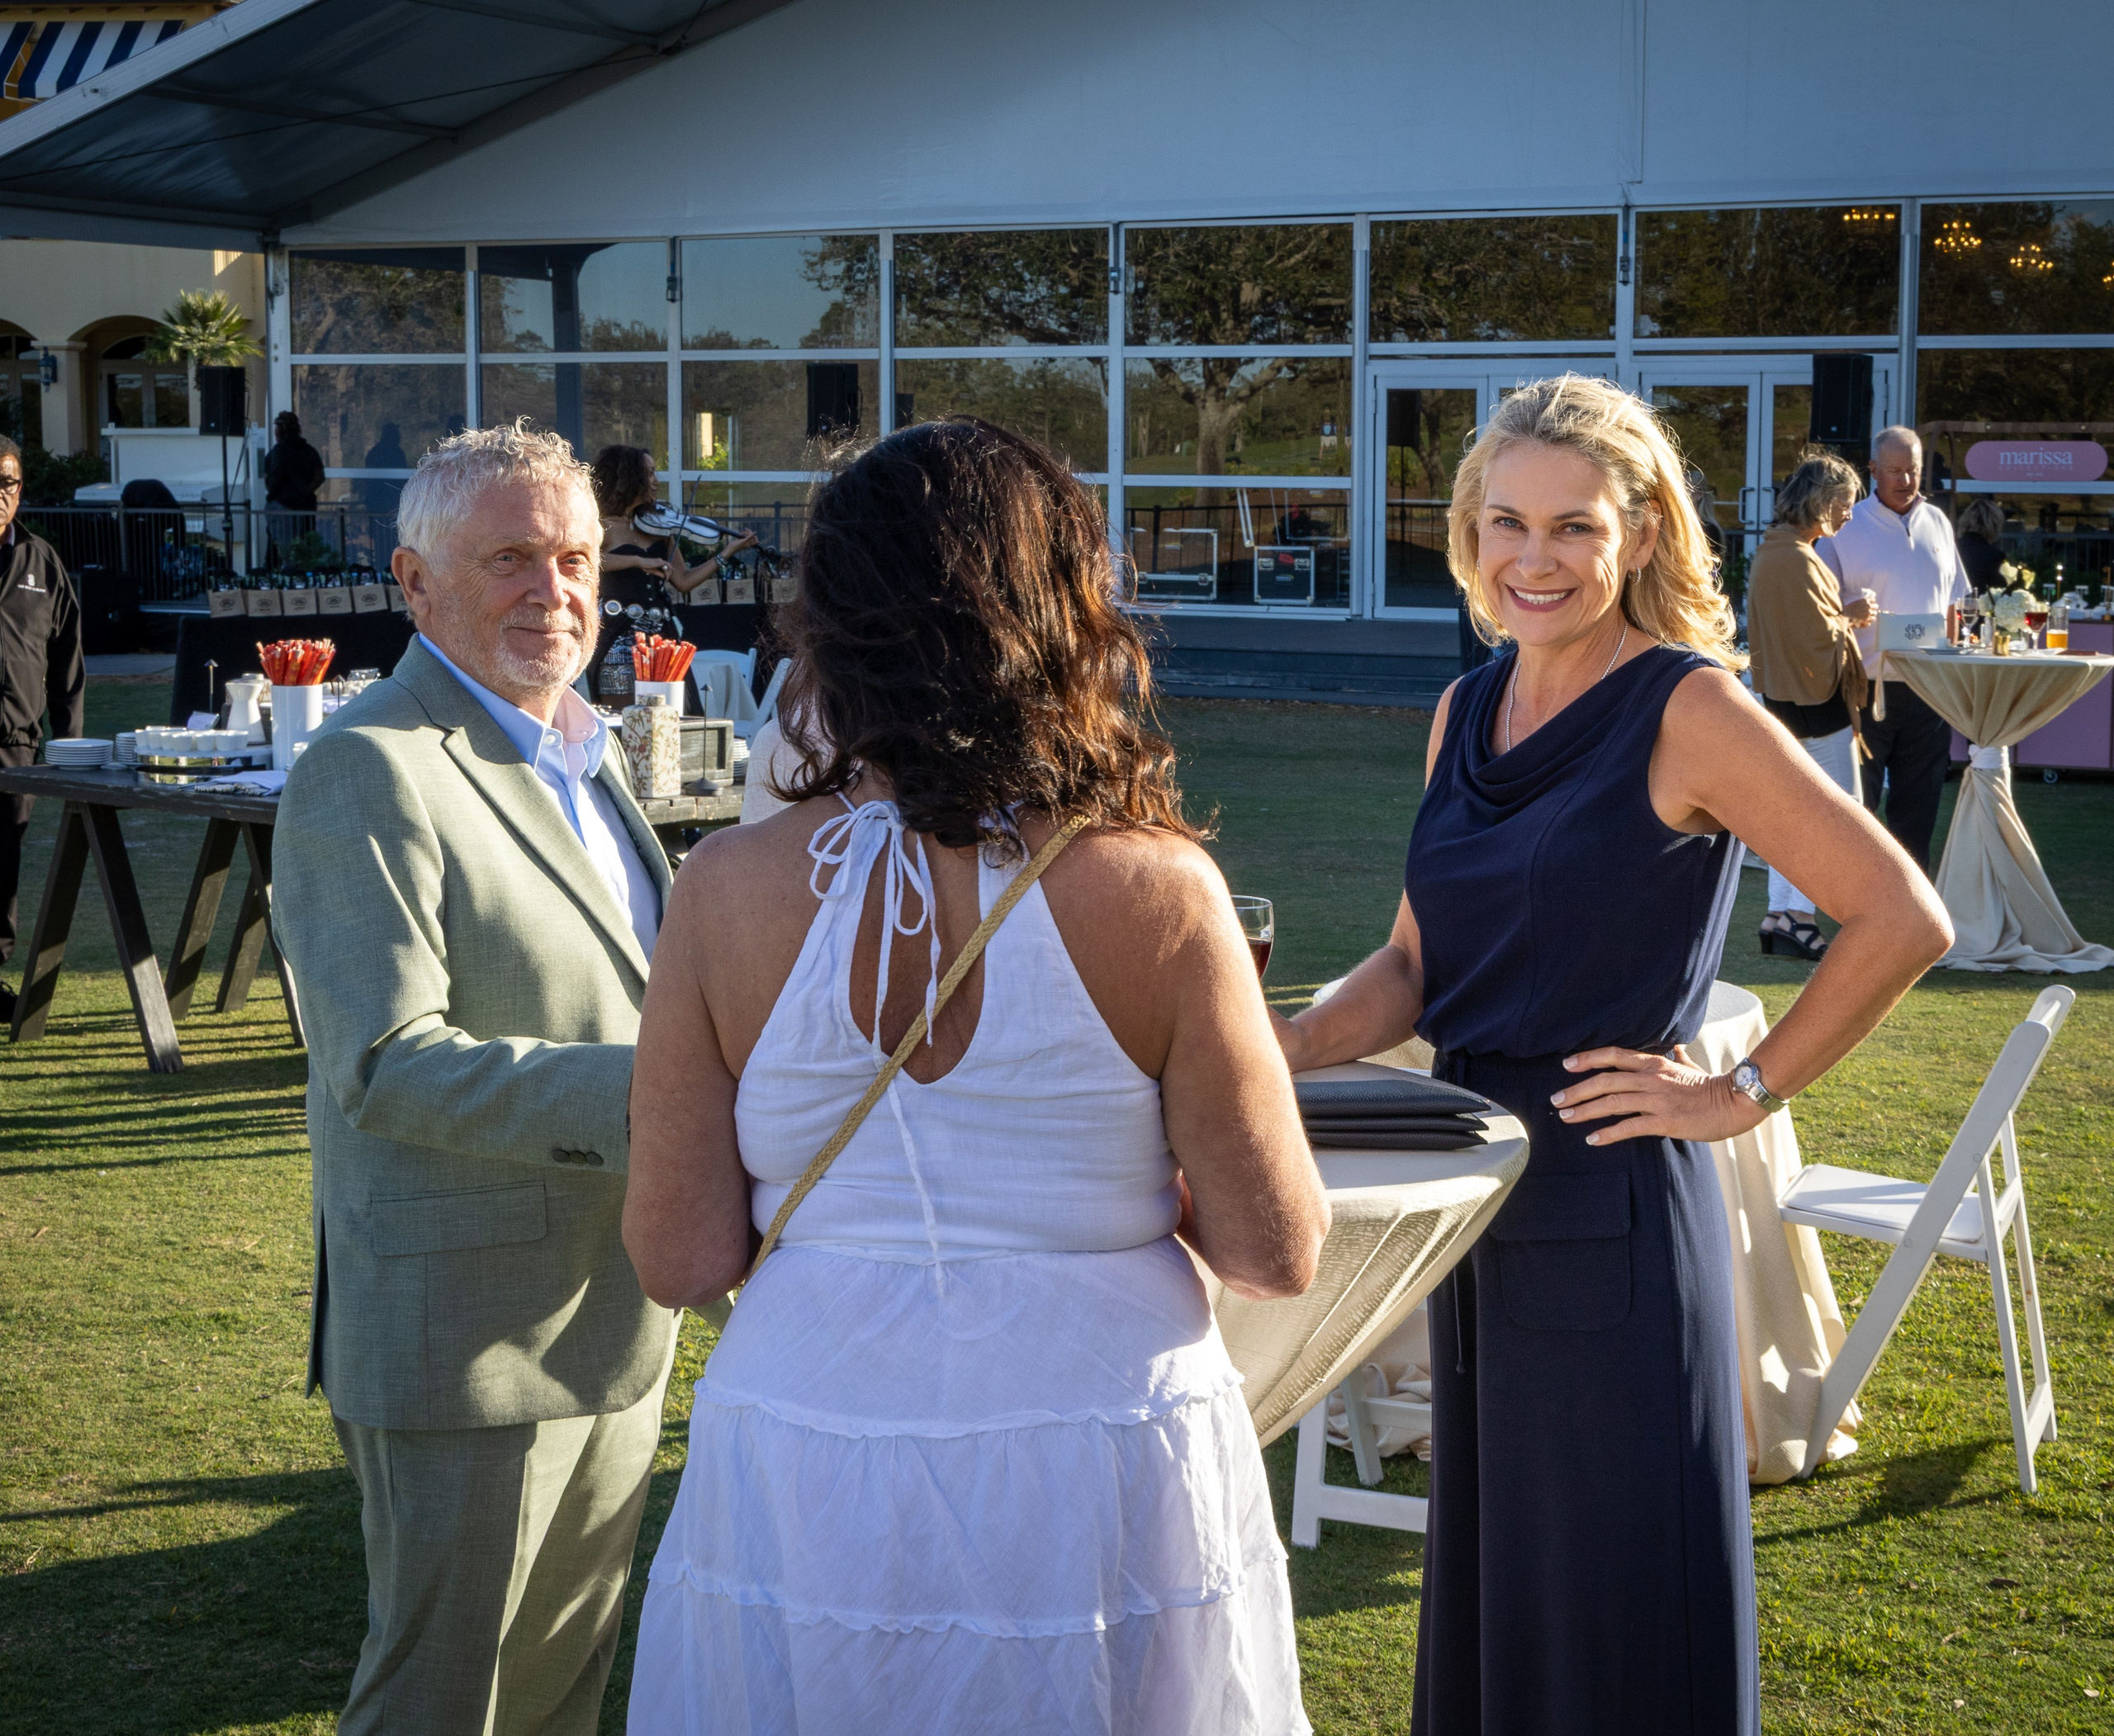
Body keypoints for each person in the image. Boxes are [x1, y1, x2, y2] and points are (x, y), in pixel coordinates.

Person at [622, 418, 1328, 1734]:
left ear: (831, 626)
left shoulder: (723, 890)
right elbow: (1275, 1246)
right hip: (1096, 1437)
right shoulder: (1160, 891)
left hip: (816, 1433)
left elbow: (679, 1252)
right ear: (1061, 614)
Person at [1273, 376, 1951, 1736]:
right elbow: (1413, 966)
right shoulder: (1463, 710)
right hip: (1480, 1205)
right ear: (1469, 530)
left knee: (1613, 1619)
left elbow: (1902, 916)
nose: (1534, 558)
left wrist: (1738, 1092)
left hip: (1612, 1199)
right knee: (1507, 1597)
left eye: (1574, 526)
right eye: (1506, 522)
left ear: (1640, 532)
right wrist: (1266, 1048)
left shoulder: (1687, 708)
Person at [273, 422, 677, 1736]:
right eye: (509, 558)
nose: (553, 590)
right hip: (465, 1343)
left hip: (612, 1316)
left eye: (576, 558)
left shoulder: (587, 753)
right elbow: (386, 1060)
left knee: (559, 1700)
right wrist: (668, 1102)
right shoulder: (367, 767)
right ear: (414, 581)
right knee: (440, 1705)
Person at [1817, 425, 1969, 871]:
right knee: (1857, 810)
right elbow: (1820, 607)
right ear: (1873, 470)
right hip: (1865, 689)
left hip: (1930, 690)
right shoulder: (1844, 527)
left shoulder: (1938, 521)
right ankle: (1856, 899)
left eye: (1913, 471)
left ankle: (1913, 902)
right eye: (1895, 471)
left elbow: (1954, 604)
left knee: (1918, 814)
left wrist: (1953, 659)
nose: (1905, 481)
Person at [1747, 451, 1871, 960]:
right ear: (1822, 501)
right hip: (1817, 707)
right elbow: (1816, 639)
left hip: (1783, 702)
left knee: (1792, 815)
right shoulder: (1796, 557)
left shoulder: (1773, 549)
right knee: (1840, 815)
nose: (1850, 513)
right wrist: (1851, 616)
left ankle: (1780, 913)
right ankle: (1798, 917)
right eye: (1846, 503)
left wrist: (1839, 619)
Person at [0, 433, 84, 1027]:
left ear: (20, 489)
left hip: (16, 747)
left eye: (7, 483)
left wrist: (70, 742)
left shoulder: (40, 561)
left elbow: (67, 659)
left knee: (3, 866)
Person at [586, 444, 757, 694]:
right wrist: (637, 561)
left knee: (671, 711)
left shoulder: (659, 529)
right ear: (629, 477)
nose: (656, 481)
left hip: (662, 637)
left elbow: (684, 581)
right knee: (625, 713)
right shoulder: (601, 526)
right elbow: (586, 561)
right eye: (649, 473)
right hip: (618, 636)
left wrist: (727, 552)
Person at [1955, 496, 2010, 593]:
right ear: (1995, 525)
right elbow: (2001, 593)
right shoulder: (1994, 556)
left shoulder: (1951, 547)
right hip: (1978, 601)